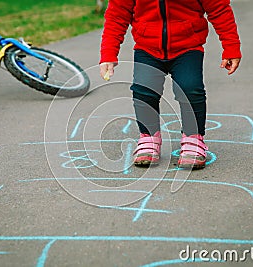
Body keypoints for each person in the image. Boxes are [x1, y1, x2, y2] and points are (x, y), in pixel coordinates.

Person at [99, 0, 241, 169]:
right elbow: (117, 14)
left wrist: (231, 47)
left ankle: (193, 138)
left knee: (189, 89)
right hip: (147, 48)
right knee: (143, 90)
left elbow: (219, 9)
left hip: (188, 47)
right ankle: (149, 137)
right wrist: (108, 53)